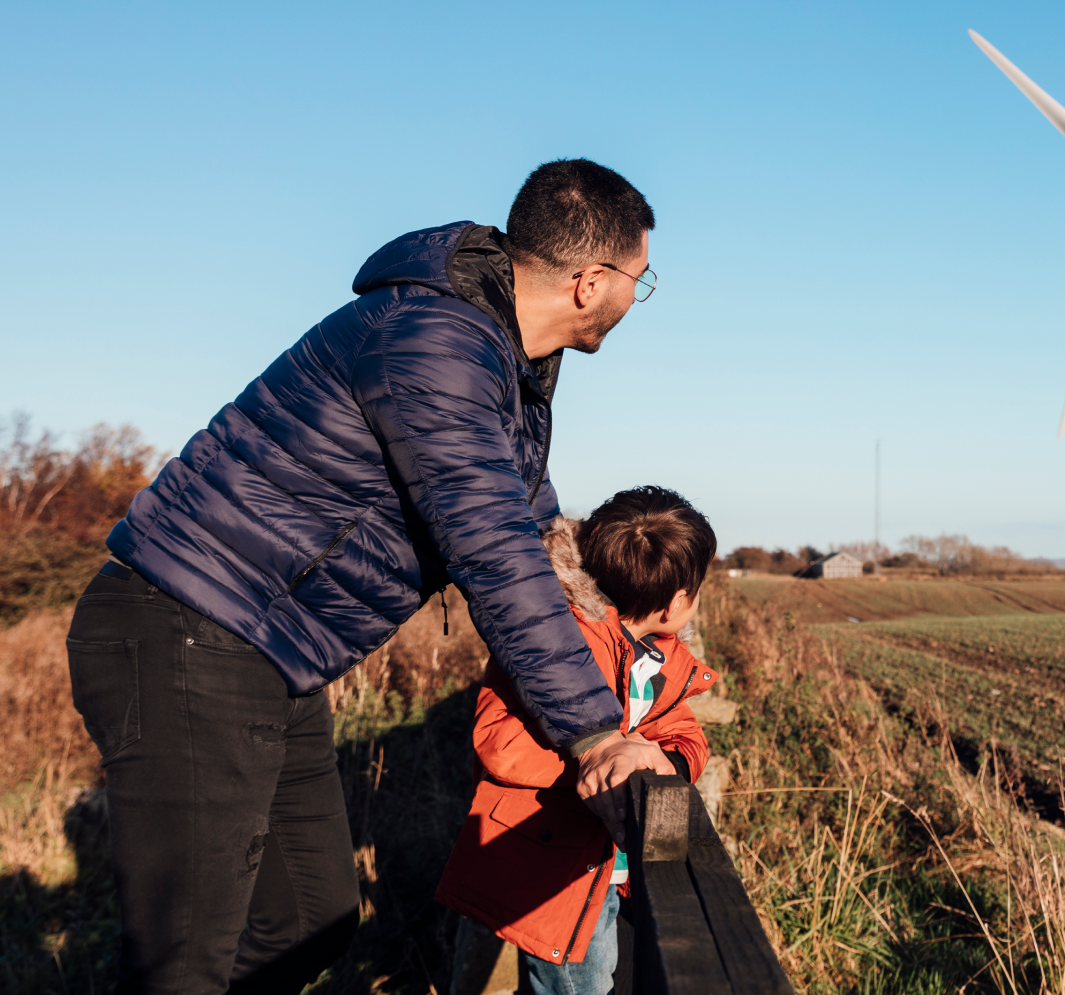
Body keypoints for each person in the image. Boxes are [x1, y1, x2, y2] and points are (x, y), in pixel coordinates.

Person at [66, 159, 669, 994]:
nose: (634, 304)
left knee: (308, 916)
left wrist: (628, 641)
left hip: (270, 652)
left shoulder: (505, 370)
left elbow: (537, 535)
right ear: (588, 281)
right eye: (638, 284)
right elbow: (492, 554)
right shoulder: (437, 346)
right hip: (190, 627)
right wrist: (597, 734)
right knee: (182, 964)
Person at [437, 486, 718, 995]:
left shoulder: (662, 656)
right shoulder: (559, 642)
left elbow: (683, 731)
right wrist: (601, 765)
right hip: (553, 867)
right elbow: (499, 740)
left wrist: (666, 763)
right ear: (678, 601)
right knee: (577, 986)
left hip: (613, 866)